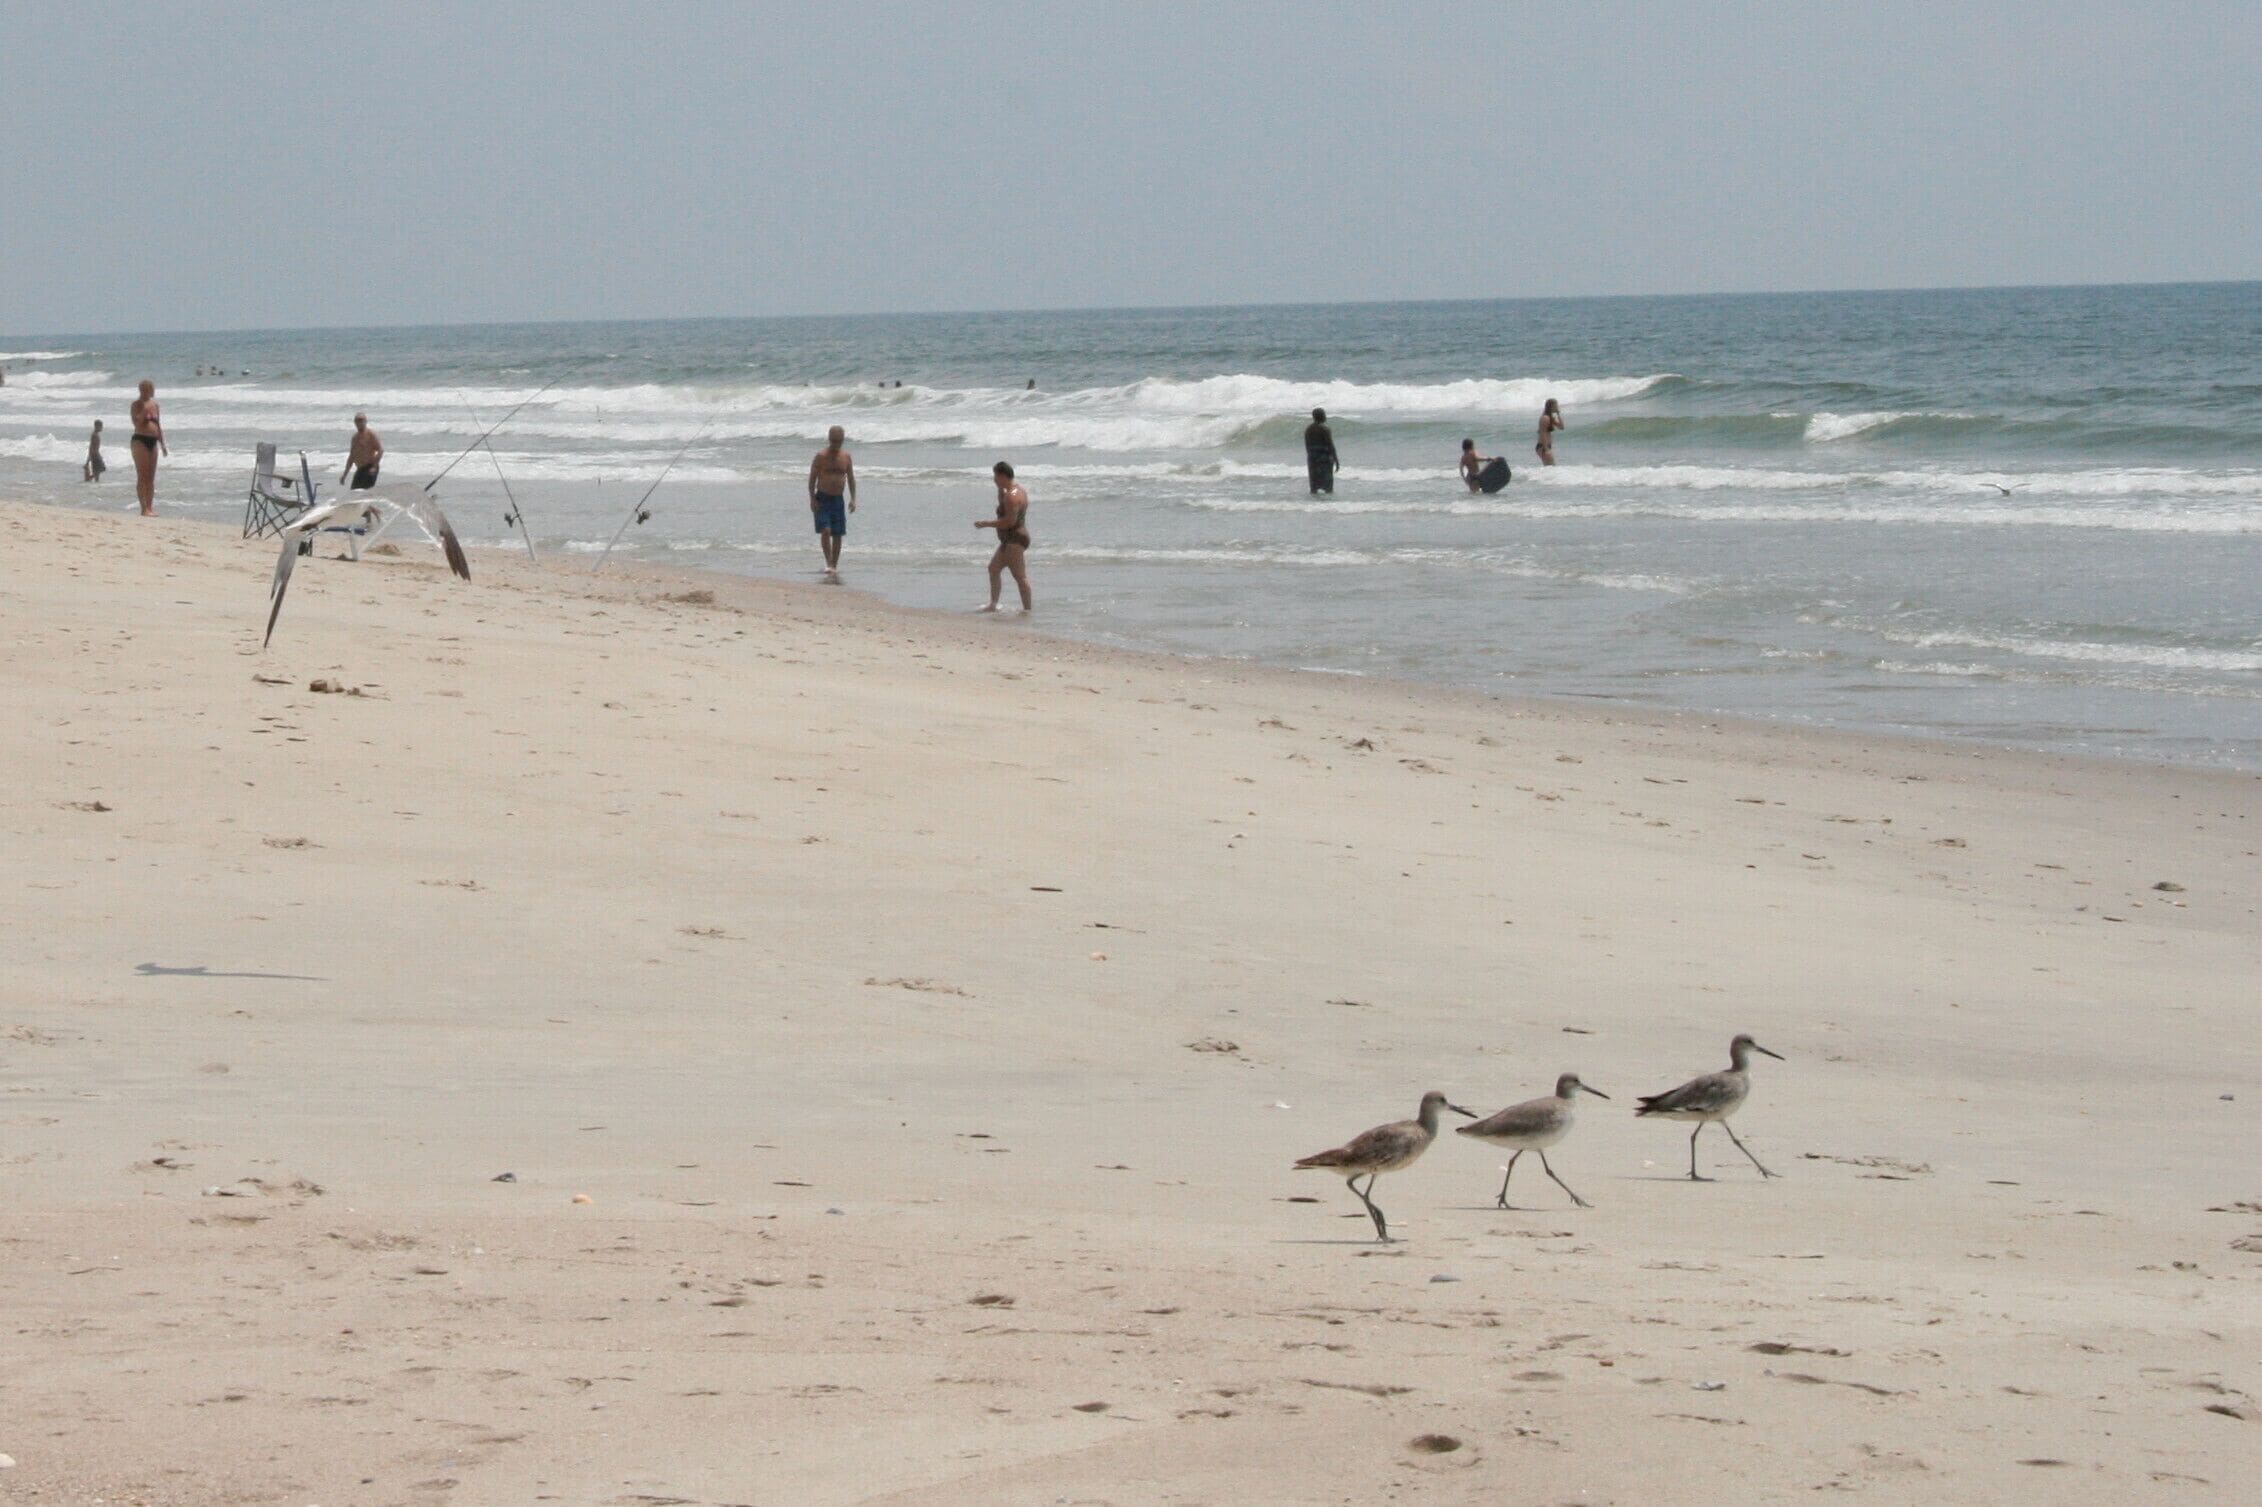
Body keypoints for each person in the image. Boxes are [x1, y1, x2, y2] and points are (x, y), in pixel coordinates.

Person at [976, 460, 1032, 613]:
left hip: (1014, 539)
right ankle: (993, 604)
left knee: (1020, 576)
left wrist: (986, 524)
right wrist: (1000, 491)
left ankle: (1027, 610)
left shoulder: (1012, 497)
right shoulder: (1015, 491)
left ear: (1002, 476)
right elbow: (1004, 506)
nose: (994, 480)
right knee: (993, 568)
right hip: (1010, 539)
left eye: (995, 476)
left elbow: (1008, 522)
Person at [806, 424, 857, 580]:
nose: (836, 444)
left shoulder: (846, 457)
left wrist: (853, 498)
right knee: (825, 531)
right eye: (833, 441)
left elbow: (851, 478)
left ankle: (834, 565)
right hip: (823, 498)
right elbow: (812, 478)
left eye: (839, 441)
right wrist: (812, 498)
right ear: (829, 439)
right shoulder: (821, 456)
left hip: (838, 500)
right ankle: (828, 562)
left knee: (837, 534)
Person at [129, 380, 167, 516]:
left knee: (151, 477)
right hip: (140, 440)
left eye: (151, 388)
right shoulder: (136, 405)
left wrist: (162, 444)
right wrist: (144, 411)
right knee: (142, 475)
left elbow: (158, 425)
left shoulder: (155, 404)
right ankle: (143, 508)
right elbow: (137, 424)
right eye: (147, 389)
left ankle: (150, 507)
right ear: (141, 390)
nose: (150, 391)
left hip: (153, 441)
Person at [341, 412, 383, 489]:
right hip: (360, 469)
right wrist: (344, 475)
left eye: (361, 420)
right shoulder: (355, 438)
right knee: (354, 491)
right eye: (357, 420)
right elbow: (351, 457)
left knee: (364, 491)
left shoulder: (370, 434)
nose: (359, 422)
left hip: (370, 467)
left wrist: (374, 466)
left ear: (365, 421)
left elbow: (380, 450)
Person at [1304, 407, 1339, 494]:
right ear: (1321, 416)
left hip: (1312, 459)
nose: (1325, 416)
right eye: (1324, 414)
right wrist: (1336, 460)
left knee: (1314, 487)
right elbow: (1330, 445)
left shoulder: (1308, 429)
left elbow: (1307, 446)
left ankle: (1314, 505)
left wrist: (1311, 458)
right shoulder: (1325, 429)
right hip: (1325, 460)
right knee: (1328, 488)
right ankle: (1327, 506)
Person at [1536, 398, 1565, 466]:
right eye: (1556, 405)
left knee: (1549, 467)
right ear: (1551, 406)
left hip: (1546, 446)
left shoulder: (1550, 418)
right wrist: (1546, 449)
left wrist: (1558, 414)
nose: (1557, 407)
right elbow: (1543, 433)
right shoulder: (1545, 418)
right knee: (1551, 466)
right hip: (1543, 446)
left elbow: (1561, 427)